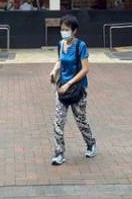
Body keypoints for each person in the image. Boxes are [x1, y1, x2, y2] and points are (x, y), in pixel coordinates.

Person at [49, 14, 96, 166]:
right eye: (62, 29)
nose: (63, 32)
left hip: (77, 89)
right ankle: (59, 153)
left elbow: (85, 69)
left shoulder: (80, 46)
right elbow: (59, 61)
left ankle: (91, 143)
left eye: (67, 29)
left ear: (74, 31)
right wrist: (54, 71)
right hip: (61, 88)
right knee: (58, 122)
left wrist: (69, 84)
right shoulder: (60, 44)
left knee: (80, 120)